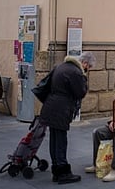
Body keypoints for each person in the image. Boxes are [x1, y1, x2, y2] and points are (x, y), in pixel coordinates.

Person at [39, 52, 96, 184]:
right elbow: (80, 92)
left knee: (54, 140)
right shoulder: (76, 72)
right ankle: (63, 173)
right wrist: (84, 79)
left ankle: (57, 170)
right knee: (61, 141)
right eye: (89, 67)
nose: (88, 70)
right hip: (61, 108)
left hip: (51, 106)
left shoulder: (62, 66)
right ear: (85, 63)